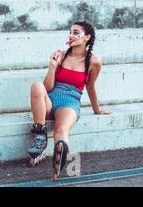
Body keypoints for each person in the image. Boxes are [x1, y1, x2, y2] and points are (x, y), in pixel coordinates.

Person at [27, 21, 112, 180]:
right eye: (70, 32)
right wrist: (53, 66)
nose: (71, 35)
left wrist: (97, 109)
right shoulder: (61, 54)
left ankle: (60, 154)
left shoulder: (94, 61)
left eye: (76, 32)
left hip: (70, 103)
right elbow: (47, 87)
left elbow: (90, 86)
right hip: (51, 99)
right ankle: (40, 136)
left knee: (61, 130)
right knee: (37, 86)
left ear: (87, 37)